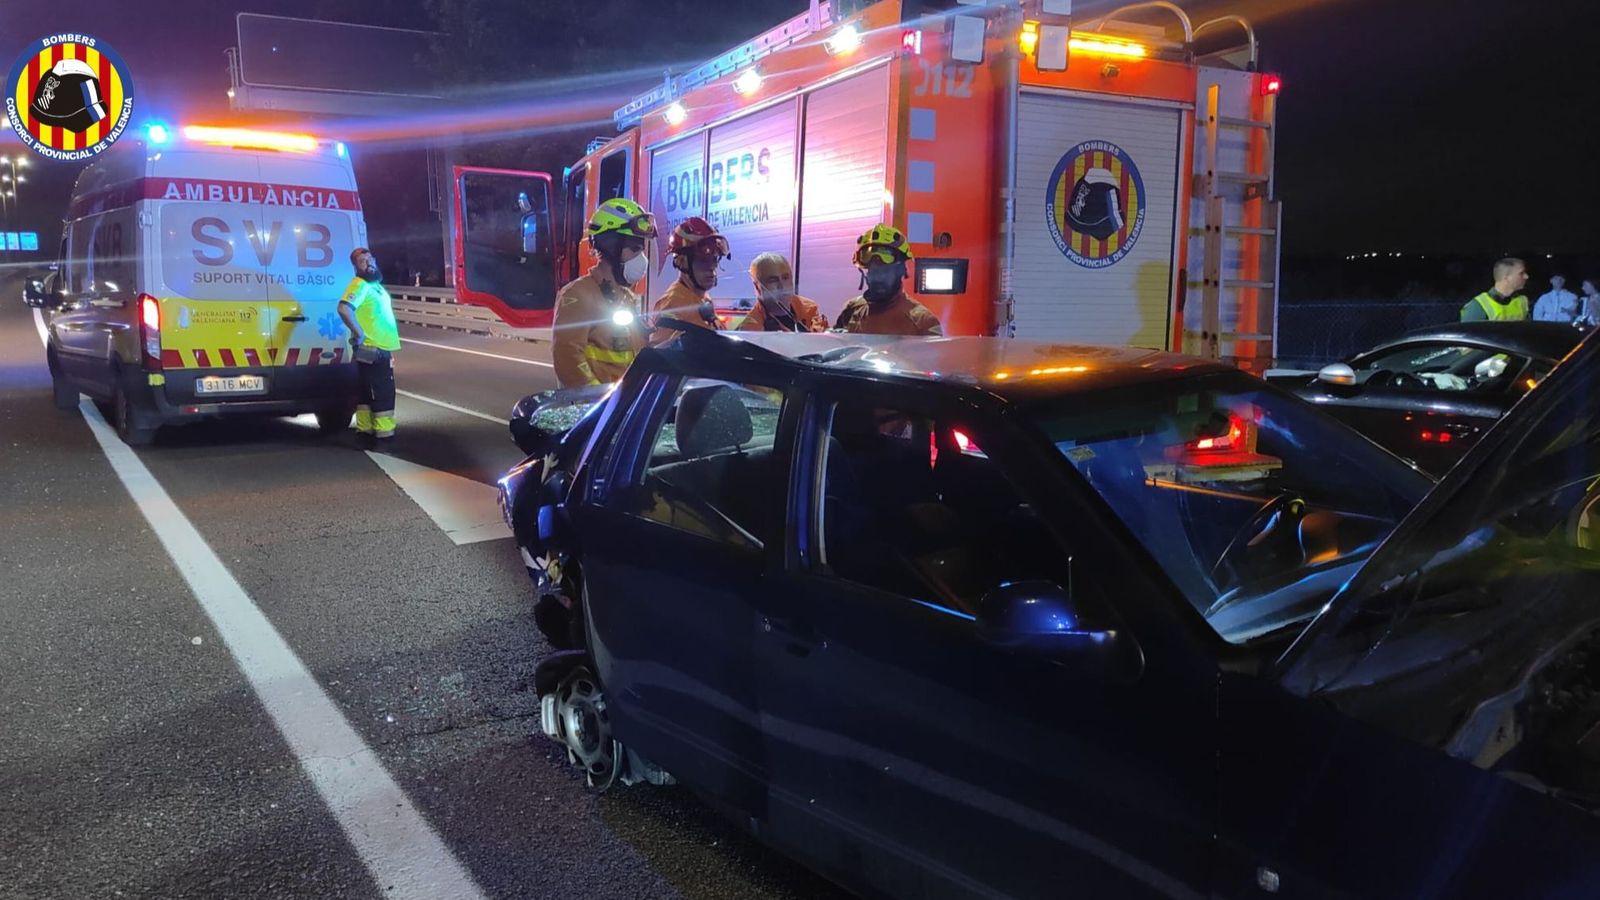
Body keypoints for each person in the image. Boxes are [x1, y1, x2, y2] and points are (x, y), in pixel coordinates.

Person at [552, 198, 656, 387]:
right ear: (611, 245)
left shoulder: (626, 298)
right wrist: (601, 403)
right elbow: (568, 360)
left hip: (624, 408)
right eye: (634, 249)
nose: (641, 259)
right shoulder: (578, 295)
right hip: (599, 412)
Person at [338, 248, 402, 447]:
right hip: (373, 347)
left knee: (366, 393)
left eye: (369, 259)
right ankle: (385, 438)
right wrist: (359, 333)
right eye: (362, 261)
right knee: (383, 393)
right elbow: (344, 309)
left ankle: (364, 433)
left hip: (378, 347)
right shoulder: (360, 284)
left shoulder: (374, 285)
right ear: (356, 267)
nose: (368, 263)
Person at [835, 224, 943, 336]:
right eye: (874, 270)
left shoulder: (922, 321)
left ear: (901, 270)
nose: (878, 278)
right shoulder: (851, 309)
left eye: (885, 270)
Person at [651, 217, 729, 341]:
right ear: (681, 262)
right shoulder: (672, 304)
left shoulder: (701, 296)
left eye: (715, 259)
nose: (712, 267)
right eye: (703, 260)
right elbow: (660, 354)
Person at [738, 252, 829, 333]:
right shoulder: (751, 329)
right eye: (773, 280)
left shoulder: (809, 308)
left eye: (785, 278)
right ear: (757, 287)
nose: (782, 286)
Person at [1460, 258, 1530, 322]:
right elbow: (1470, 335)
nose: (1526, 276)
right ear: (1506, 278)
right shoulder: (1477, 307)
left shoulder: (1522, 301)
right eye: (1521, 273)